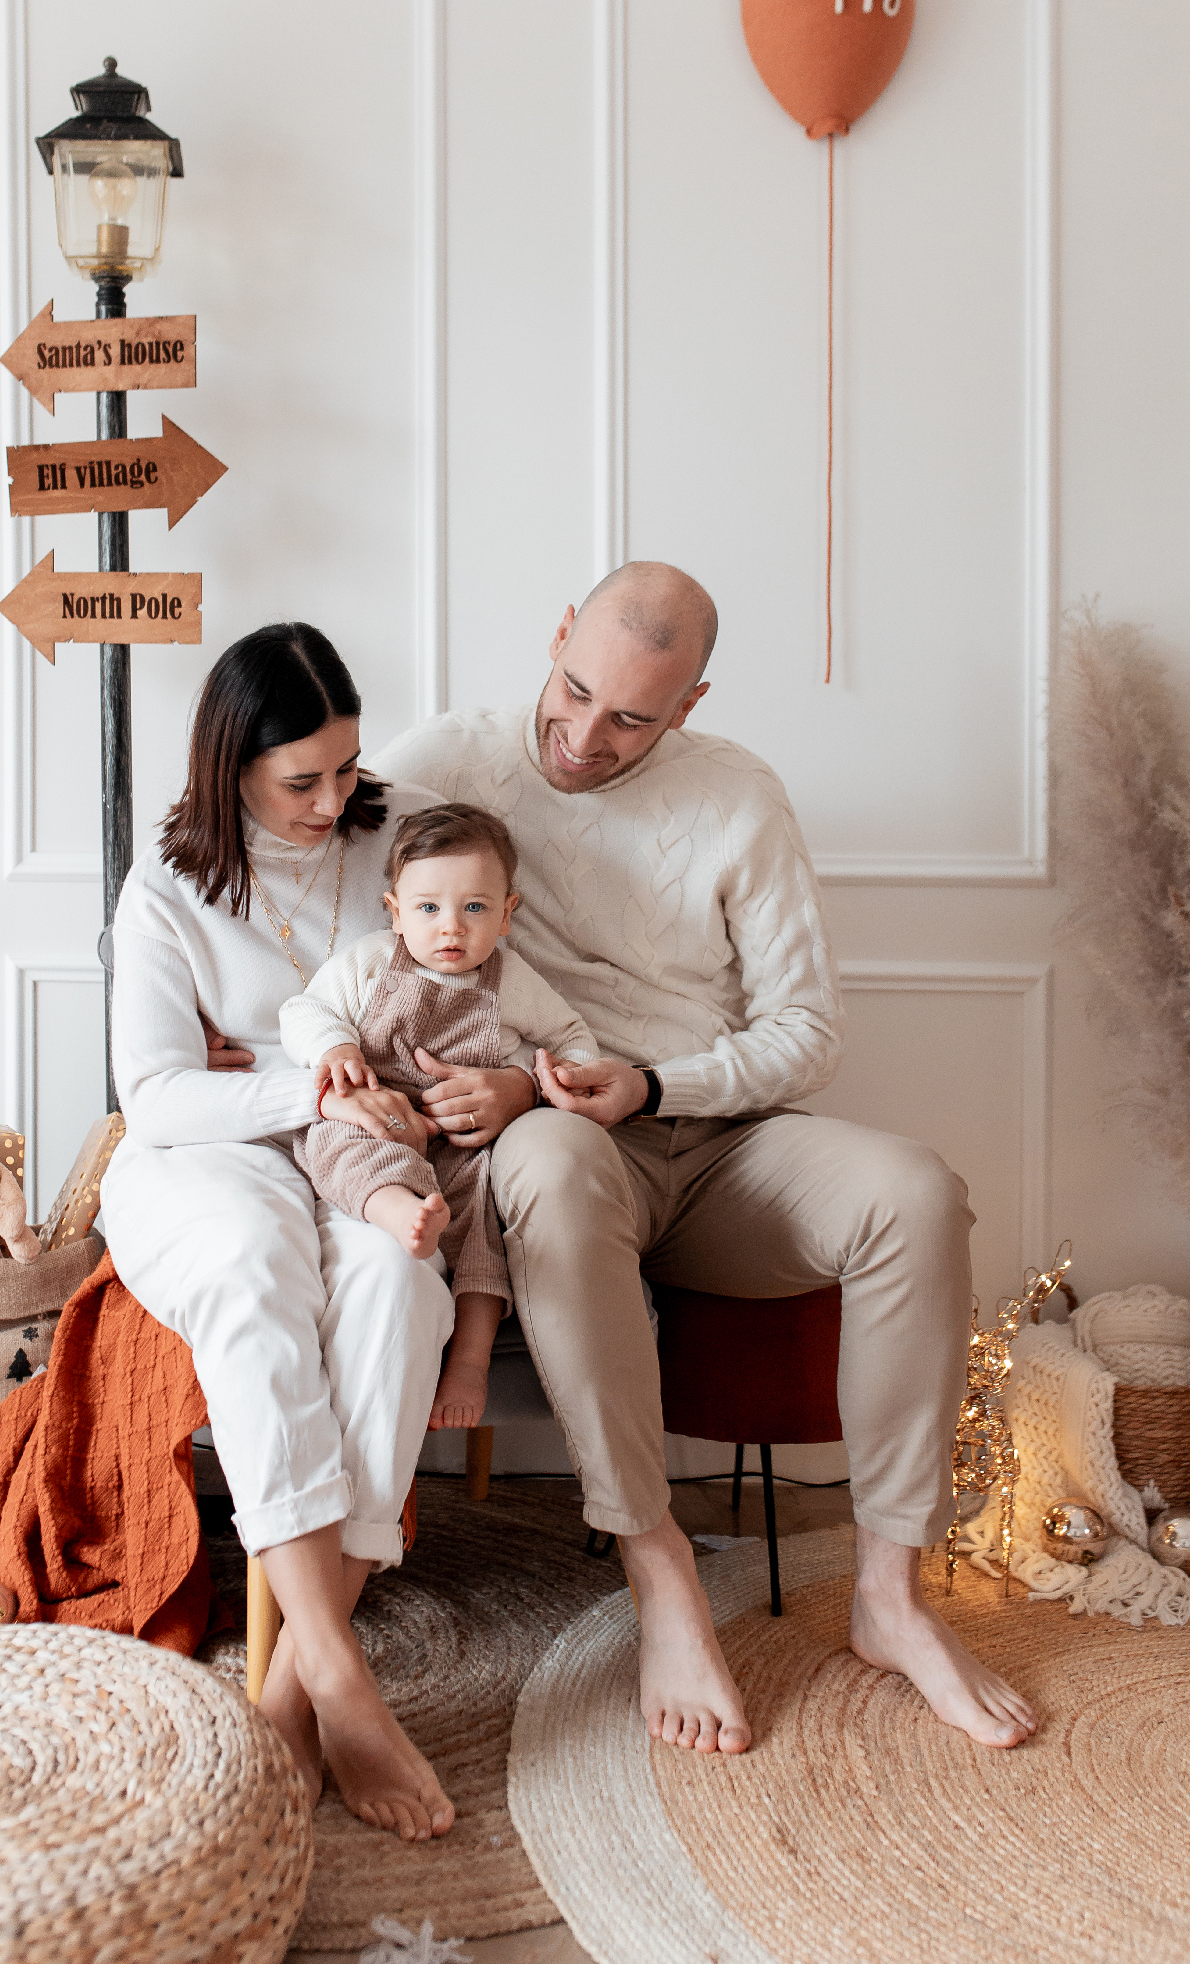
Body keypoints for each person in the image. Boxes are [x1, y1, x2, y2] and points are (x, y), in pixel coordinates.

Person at [372, 560, 1039, 1758]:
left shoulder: (738, 796)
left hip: (723, 1143)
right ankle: (659, 1566)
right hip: (567, 1142)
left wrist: (657, 1084)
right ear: (558, 632)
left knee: (915, 1193)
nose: (585, 738)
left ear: (691, 704)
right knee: (550, 1161)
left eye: (632, 718)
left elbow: (808, 1032)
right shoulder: (443, 761)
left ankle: (891, 1596)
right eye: (576, 691)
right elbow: (316, 883)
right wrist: (256, 1028)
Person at [98, 622, 458, 1842]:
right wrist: (300, 1088)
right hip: (208, 1156)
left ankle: (295, 1686)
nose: (332, 800)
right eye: (301, 779)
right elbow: (158, 1098)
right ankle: (346, 1679)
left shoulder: (390, 836)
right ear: (231, 765)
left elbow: (461, 961)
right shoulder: (168, 888)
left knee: (401, 1283)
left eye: (347, 767)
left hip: (357, 1154)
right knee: (256, 1268)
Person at [280, 802, 598, 1430]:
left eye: (475, 908)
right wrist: (335, 1047)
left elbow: (574, 1040)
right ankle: (396, 1209)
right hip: (376, 1117)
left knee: (485, 1227)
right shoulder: (372, 962)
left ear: (507, 913)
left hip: (462, 1142)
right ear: (395, 911)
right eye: (428, 908)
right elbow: (303, 1012)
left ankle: (471, 1360)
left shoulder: (510, 981)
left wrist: (528, 1080)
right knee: (341, 1142)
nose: (451, 927)